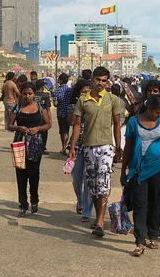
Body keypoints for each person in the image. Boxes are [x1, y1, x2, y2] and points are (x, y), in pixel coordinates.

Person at [121, 95, 160, 256]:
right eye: (157, 112)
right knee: (140, 204)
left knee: (154, 201)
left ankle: (153, 234)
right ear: (148, 109)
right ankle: (139, 240)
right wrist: (123, 171)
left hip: (157, 168)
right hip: (138, 169)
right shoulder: (134, 122)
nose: (159, 115)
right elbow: (128, 146)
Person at [69, 66, 122, 237]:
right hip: (88, 147)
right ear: (93, 80)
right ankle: (98, 216)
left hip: (106, 146)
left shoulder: (113, 100)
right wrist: (72, 146)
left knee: (103, 182)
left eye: (104, 81)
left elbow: (116, 125)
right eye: (98, 80)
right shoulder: (83, 100)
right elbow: (77, 125)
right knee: (92, 185)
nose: (101, 83)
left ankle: (100, 220)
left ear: (108, 82)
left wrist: (118, 146)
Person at [7, 82, 51, 217]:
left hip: (35, 144)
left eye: (30, 93)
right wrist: (19, 128)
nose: (27, 96)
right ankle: (23, 204)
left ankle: (34, 199)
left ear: (34, 94)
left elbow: (48, 124)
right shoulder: (17, 107)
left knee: (34, 173)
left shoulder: (39, 106)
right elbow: (9, 125)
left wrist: (37, 128)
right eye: (25, 93)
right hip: (20, 143)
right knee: (21, 175)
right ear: (21, 94)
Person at [67, 79, 93, 222]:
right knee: (76, 179)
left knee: (88, 178)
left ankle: (87, 210)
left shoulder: (95, 105)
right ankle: (80, 199)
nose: (85, 94)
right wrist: (79, 107)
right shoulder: (74, 105)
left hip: (92, 144)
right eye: (83, 91)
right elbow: (71, 122)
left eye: (88, 91)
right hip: (77, 144)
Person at [52, 73, 72, 155]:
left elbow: (55, 104)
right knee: (66, 131)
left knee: (62, 131)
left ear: (60, 80)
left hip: (60, 113)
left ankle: (63, 147)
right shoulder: (70, 90)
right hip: (69, 112)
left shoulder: (56, 91)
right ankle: (66, 146)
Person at [34, 79, 53, 154]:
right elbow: (48, 108)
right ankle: (42, 148)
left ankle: (35, 146)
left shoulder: (33, 95)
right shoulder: (46, 96)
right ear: (42, 87)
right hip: (43, 117)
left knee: (35, 132)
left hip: (34, 116)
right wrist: (50, 119)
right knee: (44, 133)